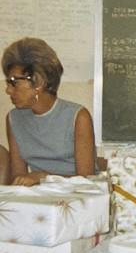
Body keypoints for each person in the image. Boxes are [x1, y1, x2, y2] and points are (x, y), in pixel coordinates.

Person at [2, 37, 96, 186]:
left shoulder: (78, 117)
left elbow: (86, 180)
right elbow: (18, 175)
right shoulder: (13, 119)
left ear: (39, 82)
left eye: (14, 83)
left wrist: (44, 177)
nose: (8, 90)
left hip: (77, 195)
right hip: (39, 195)